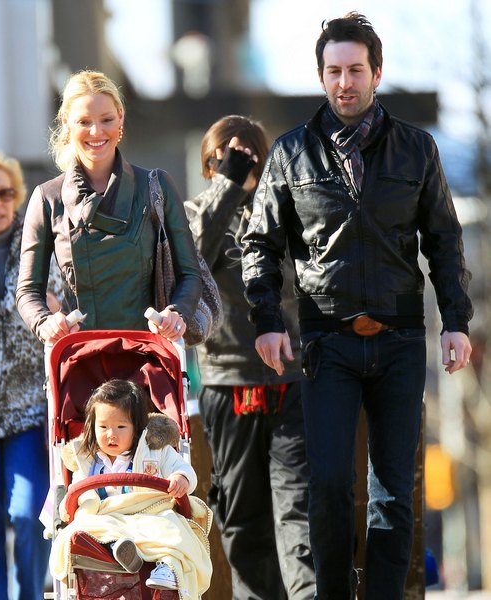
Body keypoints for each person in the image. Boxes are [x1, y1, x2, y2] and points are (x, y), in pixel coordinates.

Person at [242, 12, 473, 600]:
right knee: (328, 486)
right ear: (321, 77)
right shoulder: (292, 154)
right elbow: (259, 246)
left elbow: (444, 240)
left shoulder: (417, 149)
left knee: (394, 491)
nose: (344, 82)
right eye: (333, 71)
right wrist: (268, 324)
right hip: (327, 343)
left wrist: (456, 323)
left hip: (398, 340)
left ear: (377, 73)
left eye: (355, 70)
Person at [184, 115, 315, 600]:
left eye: (246, 156)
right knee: (241, 517)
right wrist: (228, 186)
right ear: (209, 163)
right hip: (226, 382)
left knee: (298, 509)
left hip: (289, 378)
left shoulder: (286, 211)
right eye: (222, 155)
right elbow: (190, 261)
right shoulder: (194, 211)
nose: (234, 163)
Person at [16, 69, 201, 344]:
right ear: (66, 123)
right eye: (84, 121)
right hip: (80, 355)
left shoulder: (157, 186)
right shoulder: (47, 197)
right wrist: (44, 322)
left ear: (121, 118)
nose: (96, 131)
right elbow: (28, 291)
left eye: (106, 120)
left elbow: (190, 273)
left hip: (148, 353)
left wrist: (177, 313)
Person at [50, 379, 212, 596]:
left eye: (121, 426)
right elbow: (80, 492)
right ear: (92, 426)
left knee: (172, 528)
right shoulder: (86, 459)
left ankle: (168, 567)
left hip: (147, 514)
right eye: (103, 427)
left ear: (136, 428)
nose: (111, 434)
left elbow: (182, 468)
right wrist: (79, 503)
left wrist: (180, 477)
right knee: (84, 528)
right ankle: (118, 549)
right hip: (107, 516)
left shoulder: (155, 451)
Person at [0, 149, 62, 600]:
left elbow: (61, 298)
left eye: (4, 193)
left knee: (27, 512)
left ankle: (30, 595)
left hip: (27, 411)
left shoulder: (37, 244)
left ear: (16, 197)